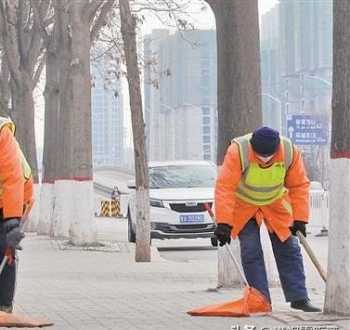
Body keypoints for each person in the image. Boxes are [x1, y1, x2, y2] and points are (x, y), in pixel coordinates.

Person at [214, 126, 321, 312]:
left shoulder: (289, 151)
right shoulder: (239, 150)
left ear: (276, 148)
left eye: (269, 155)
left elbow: (299, 185)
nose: (265, 159)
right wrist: (223, 224)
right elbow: (225, 187)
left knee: (289, 248)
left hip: (276, 203)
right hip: (244, 206)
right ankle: (261, 301)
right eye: (260, 155)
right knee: (251, 251)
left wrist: (300, 219)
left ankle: (299, 298)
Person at [0, 117, 33, 313]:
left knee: (4, 246)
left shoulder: (1, 134)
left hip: (17, 196)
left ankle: (3, 306)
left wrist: (12, 223)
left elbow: (13, 179)